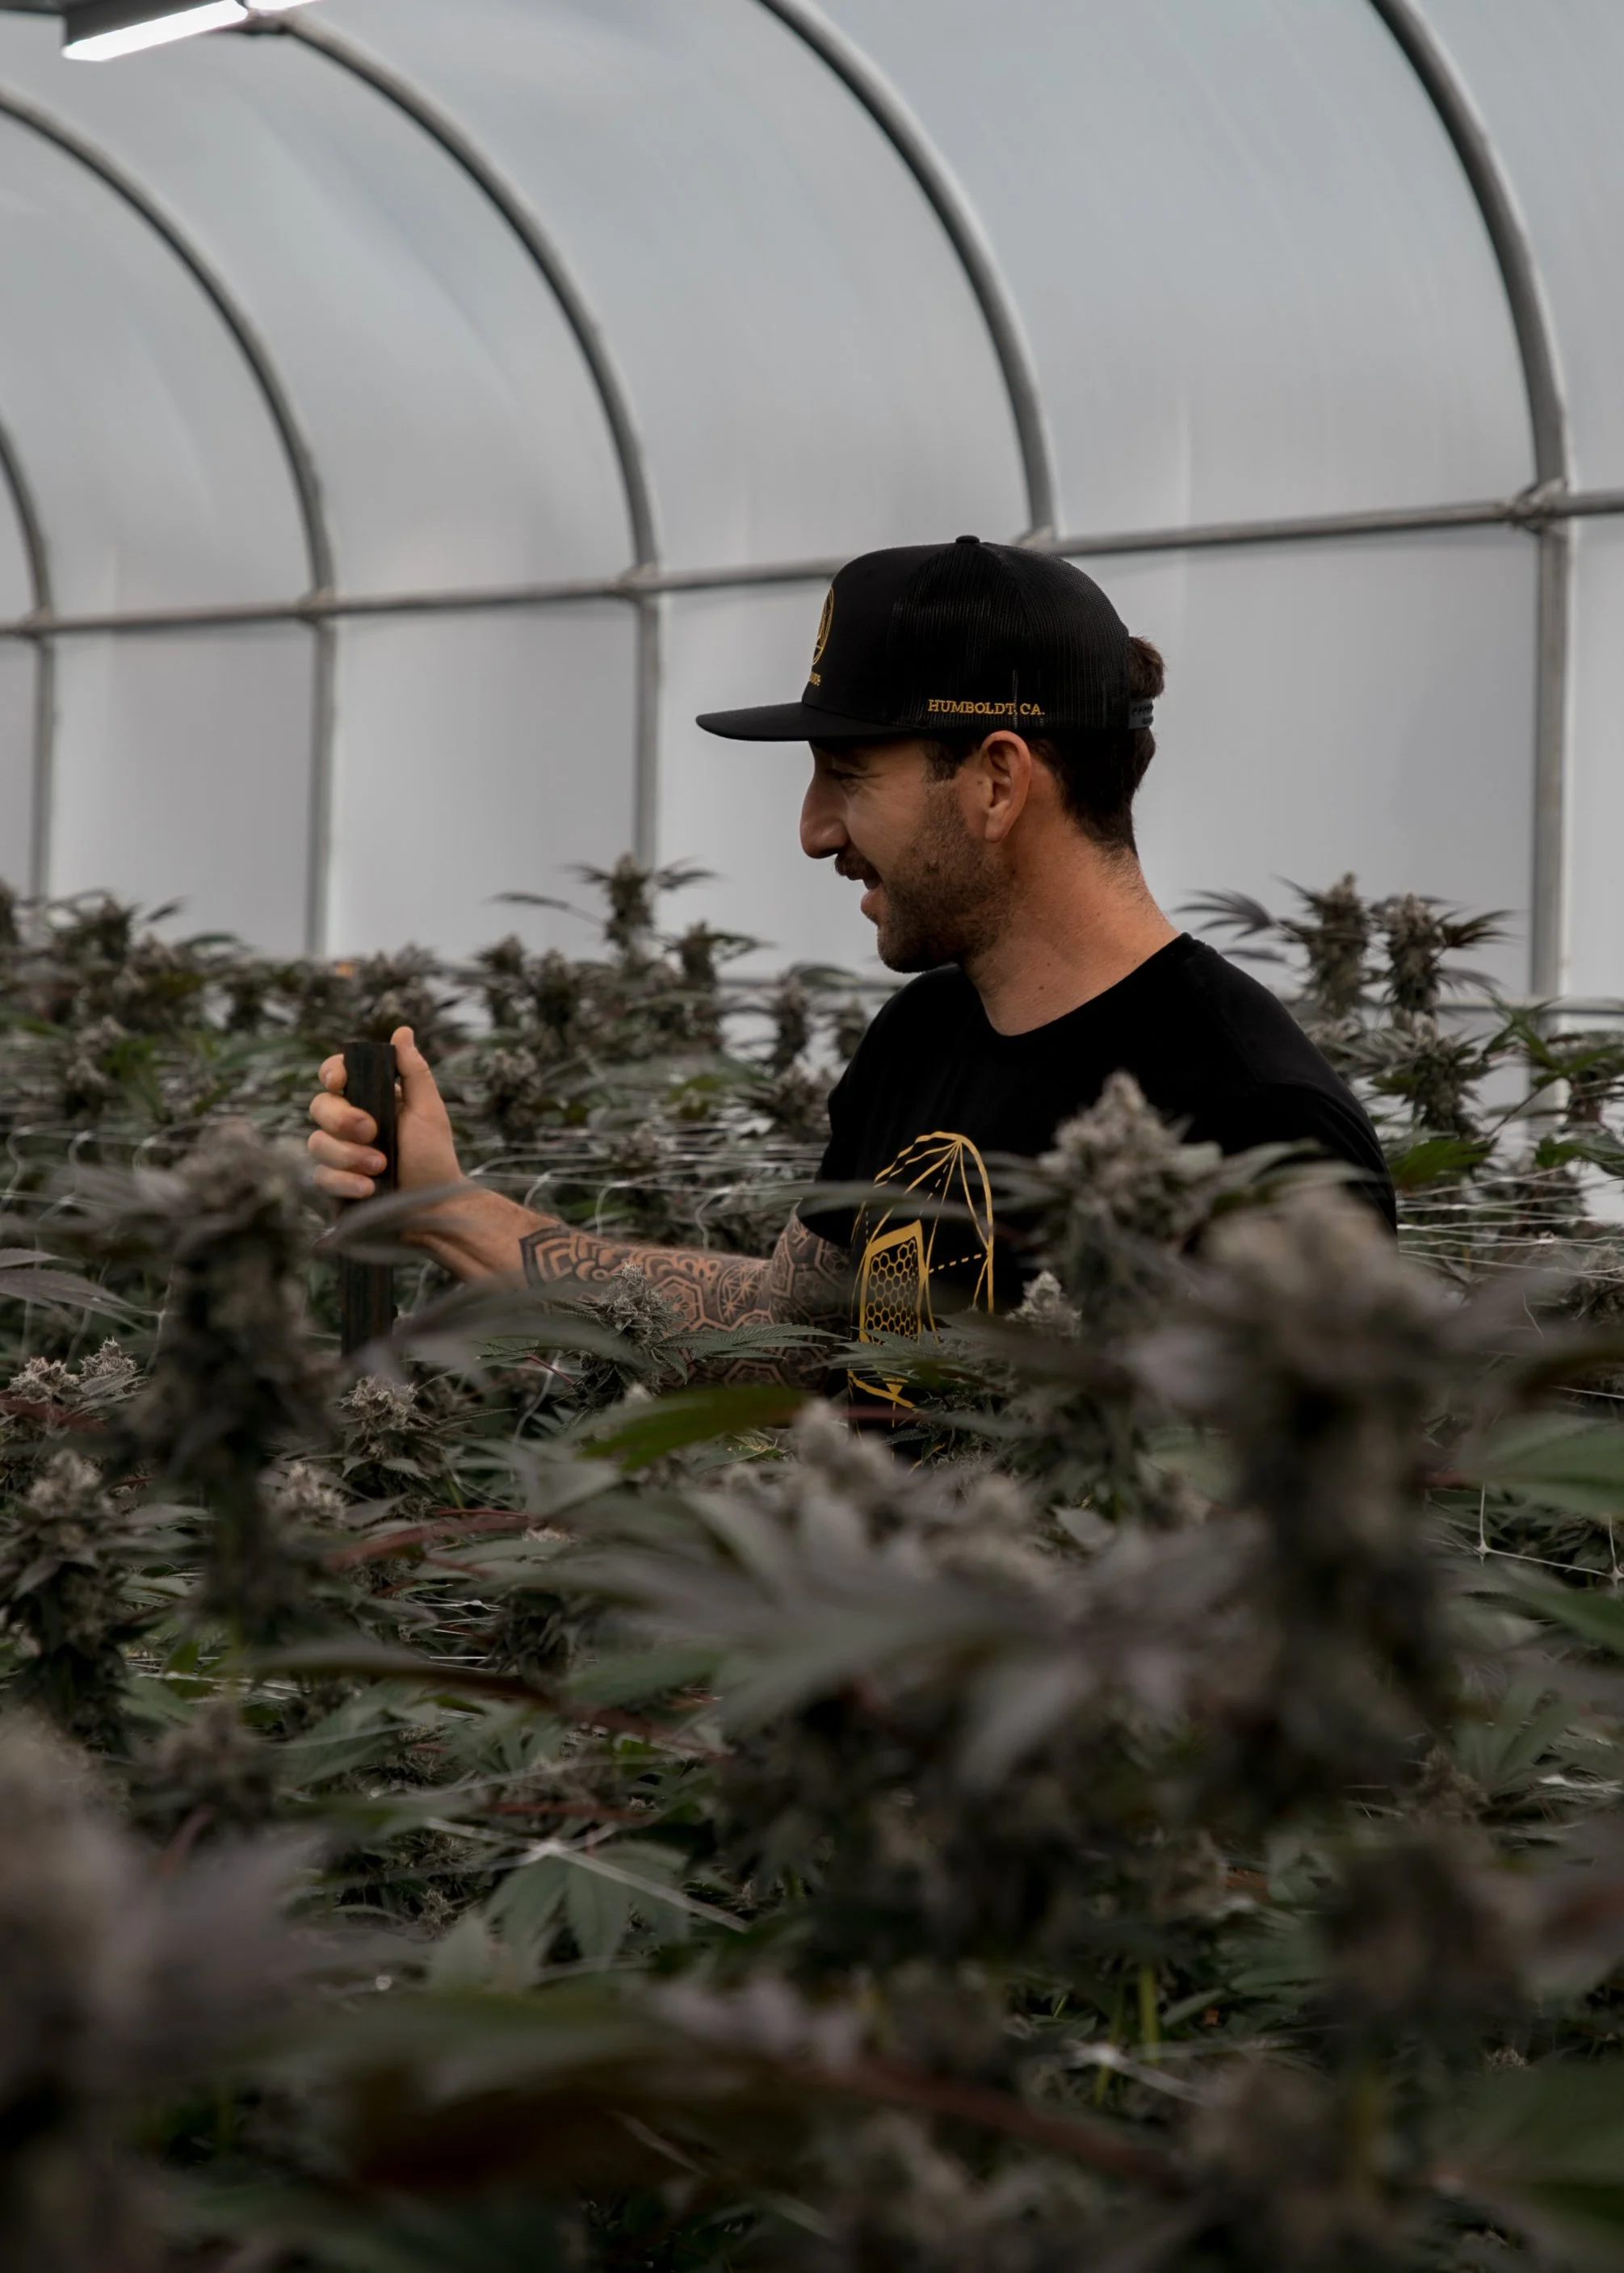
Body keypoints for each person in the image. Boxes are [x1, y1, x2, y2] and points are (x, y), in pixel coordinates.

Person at [308, 535, 1395, 1382]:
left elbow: (1283, 1552)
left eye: (845, 774)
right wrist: (442, 1204)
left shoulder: (1257, 1120)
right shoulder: (925, 1035)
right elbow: (787, 1331)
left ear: (996, 781)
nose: (813, 829)